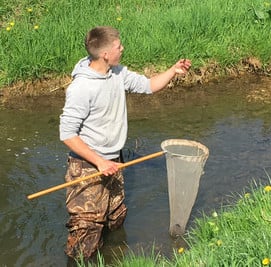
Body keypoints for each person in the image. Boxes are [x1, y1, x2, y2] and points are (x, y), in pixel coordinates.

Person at [59, 25, 191, 259]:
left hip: (114, 162)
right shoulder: (81, 88)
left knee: (115, 220)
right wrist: (100, 162)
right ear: (106, 54)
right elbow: (67, 134)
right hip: (88, 167)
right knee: (85, 237)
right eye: (119, 46)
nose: (123, 48)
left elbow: (149, 86)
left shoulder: (117, 73)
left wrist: (173, 71)